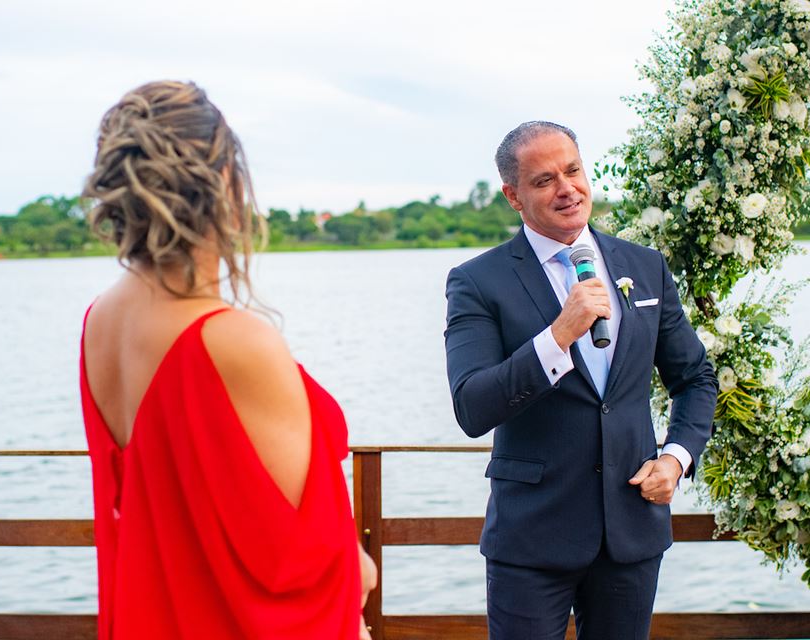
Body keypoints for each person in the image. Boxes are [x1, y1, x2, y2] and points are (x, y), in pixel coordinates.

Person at [79, 80, 376, 639]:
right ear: (222, 181)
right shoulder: (232, 340)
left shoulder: (99, 321)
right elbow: (302, 559)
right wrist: (355, 568)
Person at [444, 121, 717, 639]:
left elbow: (695, 378)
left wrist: (676, 457)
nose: (567, 188)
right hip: (532, 536)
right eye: (544, 180)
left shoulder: (645, 266)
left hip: (631, 531)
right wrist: (558, 336)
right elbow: (472, 407)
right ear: (513, 196)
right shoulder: (478, 281)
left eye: (573, 170)